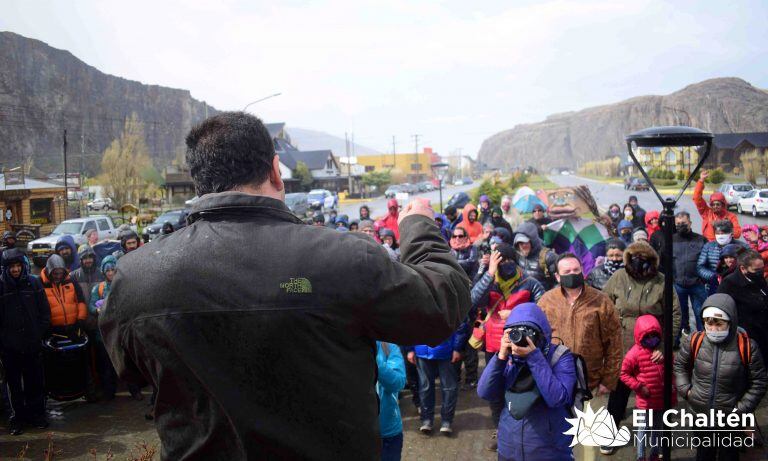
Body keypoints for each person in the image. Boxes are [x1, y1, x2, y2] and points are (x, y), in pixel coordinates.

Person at [99, 112, 472, 460]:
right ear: (276, 172)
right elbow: (441, 306)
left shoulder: (136, 278)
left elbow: (132, 372)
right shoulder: (342, 258)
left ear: (199, 181)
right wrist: (419, 227)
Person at [538, 253, 622, 459]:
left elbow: (614, 343)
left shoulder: (600, 301)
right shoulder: (546, 301)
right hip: (557, 384)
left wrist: (608, 380)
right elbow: (538, 342)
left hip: (592, 384)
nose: (572, 274)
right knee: (559, 437)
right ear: (557, 276)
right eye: (567, 272)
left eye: (576, 270)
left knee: (589, 441)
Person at [601, 241, 680, 453]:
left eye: (644, 259)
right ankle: (609, 435)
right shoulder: (618, 277)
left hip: (653, 349)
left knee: (656, 396)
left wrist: (664, 345)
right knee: (618, 394)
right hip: (623, 346)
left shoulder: (662, 281)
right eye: (634, 258)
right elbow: (604, 306)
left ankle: (658, 442)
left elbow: (674, 314)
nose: (639, 263)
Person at [477, 302, 576, 461]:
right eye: (514, 332)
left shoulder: (560, 356)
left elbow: (557, 399)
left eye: (528, 332)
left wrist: (534, 357)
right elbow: (484, 392)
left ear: (541, 334)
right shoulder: (508, 357)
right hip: (509, 447)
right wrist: (500, 356)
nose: (521, 338)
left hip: (549, 451)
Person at [674, 294, 768, 461]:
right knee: (703, 454)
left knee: (729, 455)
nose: (713, 328)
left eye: (719, 323)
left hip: (730, 419)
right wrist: (686, 391)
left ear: (730, 322)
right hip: (700, 415)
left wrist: (740, 409)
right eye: (708, 323)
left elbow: (759, 382)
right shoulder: (695, 340)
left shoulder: (747, 347)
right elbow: (680, 366)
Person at [470, 243, 545, 451]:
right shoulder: (489, 282)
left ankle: (522, 432)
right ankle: (501, 430)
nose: (506, 265)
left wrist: (516, 314)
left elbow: (543, 310)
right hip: (494, 347)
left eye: (510, 260)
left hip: (521, 346)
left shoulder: (530, 283)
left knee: (520, 389)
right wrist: (489, 272)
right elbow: (473, 300)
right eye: (501, 261)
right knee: (495, 392)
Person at [0, 248, 50, 435]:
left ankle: (37, 415)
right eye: (11, 267)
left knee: (35, 382)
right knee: (13, 385)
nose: (15, 270)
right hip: (10, 348)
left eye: (18, 266)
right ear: (6, 268)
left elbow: (44, 312)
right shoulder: (1, 286)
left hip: (32, 344)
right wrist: (3, 343)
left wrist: (38, 333)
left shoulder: (34, 283)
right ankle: (17, 418)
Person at [621, 314, 676, 461]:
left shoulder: (663, 351)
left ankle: (654, 453)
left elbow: (673, 369)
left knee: (657, 428)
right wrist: (639, 387)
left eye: (655, 335)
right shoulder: (634, 353)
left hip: (660, 399)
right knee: (643, 429)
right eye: (647, 336)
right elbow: (623, 373)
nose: (652, 339)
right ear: (640, 336)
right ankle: (640, 456)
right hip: (645, 402)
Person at [406, 322, 468, 436]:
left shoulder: (449, 303)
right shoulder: (417, 304)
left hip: (446, 350)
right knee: (425, 387)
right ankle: (426, 419)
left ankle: (447, 420)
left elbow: (460, 323)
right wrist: (410, 348)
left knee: (449, 388)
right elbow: (410, 324)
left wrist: (457, 347)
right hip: (421, 351)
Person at [717, 250, 768, 358]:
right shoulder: (729, 284)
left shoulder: (758, 277)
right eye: (756, 270)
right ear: (743, 268)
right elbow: (721, 310)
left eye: (762, 268)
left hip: (763, 330)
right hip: (745, 335)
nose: (761, 272)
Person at [88, 255, 118, 400]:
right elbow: (91, 306)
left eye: (113, 269)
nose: (111, 273)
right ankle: (108, 391)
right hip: (103, 332)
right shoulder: (98, 288)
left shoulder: (122, 285)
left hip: (119, 331)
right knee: (105, 364)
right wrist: (97, 310)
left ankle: (133, 389)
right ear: (103, 272)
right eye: (108, 270)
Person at [40, 254, 87, 334]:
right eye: (55, 273)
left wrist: (80, 320)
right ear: (48, 272)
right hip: (52, 330)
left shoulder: (71, 281)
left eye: (61, 273)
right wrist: (46, 327)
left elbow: (80, 301)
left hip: (74, 327)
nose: (58, 276)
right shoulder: (40, 284)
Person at [697, 220, 747, 294]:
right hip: (714, 287)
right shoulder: (708, 246)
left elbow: (750, 265)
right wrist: (713, 276)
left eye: (723, 233)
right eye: (718, 233)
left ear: (731, 233)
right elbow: (700, 267)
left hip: (738, 287)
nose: (720, 235)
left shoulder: (742, 247)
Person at [376, 342, 406, 461]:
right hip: (356, 431)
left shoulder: (388, 346)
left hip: (387, 432)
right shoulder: (346, 346)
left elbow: (398, 383)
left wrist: (376, 362)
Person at [693, 170, 742, 241]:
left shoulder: (731, 217)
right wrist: (701, 181)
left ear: (723, 205)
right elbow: (697, 198)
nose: (715, 206)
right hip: (708, 245)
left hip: (725, 246)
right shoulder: (707, 213)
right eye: (713, 204)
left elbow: (738, 233)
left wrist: (724, 227)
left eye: (718, 204)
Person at [513, 222, 557, 290]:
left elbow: (560, 281)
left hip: (544, 297)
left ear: (533, 241)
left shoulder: (548, 257)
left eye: (525, 242)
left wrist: (549, 297)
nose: (523, 246)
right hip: (526, 296)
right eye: (519, 243)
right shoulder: (518, 255)